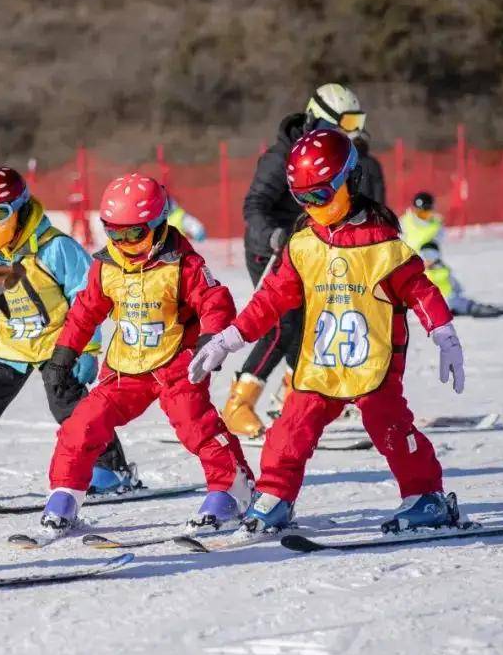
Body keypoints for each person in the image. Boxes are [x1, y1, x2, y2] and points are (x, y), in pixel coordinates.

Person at [190, 129, 466, 537]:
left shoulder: (383, 247)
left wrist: (444, 333)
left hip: (373, 363)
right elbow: (269, 301)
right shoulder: (303, 246)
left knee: (389, 427)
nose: (313, 207)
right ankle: (275, 496)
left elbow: (420, 290)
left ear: (350, 182)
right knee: (290, 428)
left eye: (321, 195)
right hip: (320, 362)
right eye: (303, 198)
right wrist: (228, 339)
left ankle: (426, 497)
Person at [36, 174, 254, 536]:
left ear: (157, 224)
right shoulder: (106, 266)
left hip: (178, 363)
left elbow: (215, 301)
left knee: (195, 425)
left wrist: (211, 339)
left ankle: (233, 490)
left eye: (134, 234)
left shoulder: (184, 264)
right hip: (125, 369)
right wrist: (64, 354)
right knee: (81, 423)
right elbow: (84, 312)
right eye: (114, 233)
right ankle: (65, 494)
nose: (123, 243)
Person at [0, 167, 136, 504]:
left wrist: (87, 348)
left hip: (56, 346)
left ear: (19, 208)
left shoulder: (55, 248)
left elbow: (87, 298)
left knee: (75, 411)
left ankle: (111, 469)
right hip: (8, 346)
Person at [227, 82, 371, 439]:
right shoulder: (281, 157)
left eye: (356, 122)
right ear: (318, 118)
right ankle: (238, 403)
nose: (350, 131)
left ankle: (294, 398)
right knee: (282, 324)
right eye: (346, 122)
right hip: (270, 249)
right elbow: (253, 206)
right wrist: (274, 235)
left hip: (306, 250)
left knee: (314, 324)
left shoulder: (335, 155)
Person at [418, 241, 503, 318]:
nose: (427, 260)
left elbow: (456, 287)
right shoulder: (426, 273)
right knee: (475, 308)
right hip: (448, 305)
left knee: (478, 308)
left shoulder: (440, 271)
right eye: (424, 257)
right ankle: (497, 310)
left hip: (455, 302)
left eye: (430, 256)